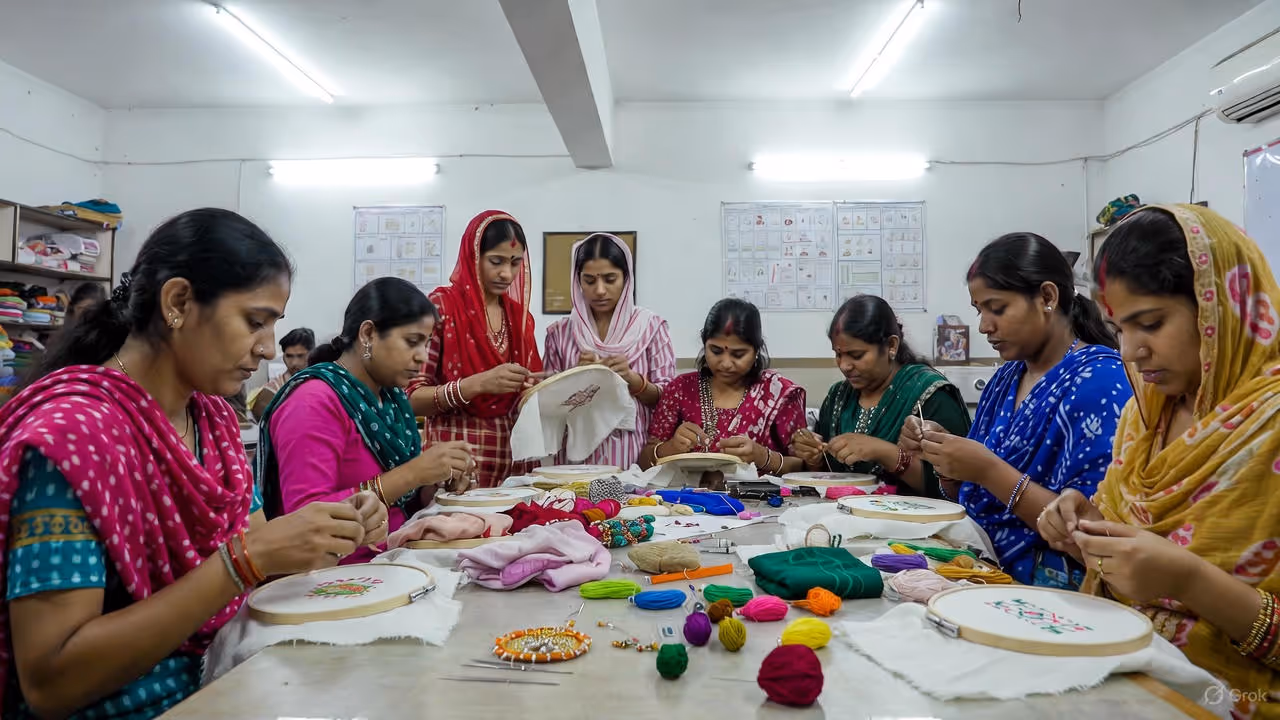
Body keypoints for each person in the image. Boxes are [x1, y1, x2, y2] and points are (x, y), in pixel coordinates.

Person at [0, 208, 385, 719]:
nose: (268, 347)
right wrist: (245, 561)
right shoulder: (73, 438)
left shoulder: (214, 425)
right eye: (255, 321)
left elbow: (257, 569)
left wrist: (327, 536)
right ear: (178, 302)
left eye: (274, 325)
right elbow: (53, 680)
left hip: (229, 682)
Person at [1040, 205, 1280, 706]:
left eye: (1149, 324)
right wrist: (1087, 524)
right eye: (1119, 328)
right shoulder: (1144, 415)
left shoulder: (1271, 427)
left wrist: (1188, 579)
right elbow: (1123, 528)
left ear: (1220, 310)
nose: (1129, 351)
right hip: (1115, 674)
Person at [902, 232, 1130, 588]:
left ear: (1047, 297)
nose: (984, 326)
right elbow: (974, 494)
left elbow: (1093, 536)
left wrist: (987, 469)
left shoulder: (1099, 381)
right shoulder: (1008, 377)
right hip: (980, 567)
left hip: (1053, 592)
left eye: (998, 308)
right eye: (980, 310)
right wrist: (946, 459)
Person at [257, 277, 474, 563]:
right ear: (368, 334)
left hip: (396, 559)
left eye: (427, 343)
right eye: (412, 342)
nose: (422, 357)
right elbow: (306, 518)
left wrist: (436, 483)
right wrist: (413, 473)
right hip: (337, 578)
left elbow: (402, 502)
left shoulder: (392, 400)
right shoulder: (313, 401)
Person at [408, 211, 543, 487]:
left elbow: (528, 394)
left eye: (515, 263)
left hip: (515, 471)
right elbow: (410, 398)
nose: (507, 273)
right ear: (473, 256)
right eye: (496, 261)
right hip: (459, 470)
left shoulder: (520, 318)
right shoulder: (442, 307)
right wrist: (476, 384)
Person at [791, 295, 970, 496]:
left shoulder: (930, 394)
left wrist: (884, 452)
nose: (844, 365)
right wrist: (814, 458)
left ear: (891, 346)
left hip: (916, 523)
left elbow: (958, 488)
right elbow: (830, 477)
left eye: (856, 355)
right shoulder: (838, 397)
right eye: (838, 354)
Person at [641, 298, 807, 487]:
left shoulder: (778, 394)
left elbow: (805, 468)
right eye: (716, 351)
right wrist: (671, 448)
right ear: (704, 344)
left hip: (760, 507)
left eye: (738, 354)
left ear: (756, 351)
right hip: (687, 506)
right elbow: (644, 464)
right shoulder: (680, 389)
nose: (726, 363)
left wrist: (762, 456)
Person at [543, 233, 676, 467]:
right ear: (578, 281)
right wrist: (575, 379)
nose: (600, 290)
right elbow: (546, 406)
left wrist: (635, 381)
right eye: (590, 280)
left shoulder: (651, 328)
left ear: (626, 278)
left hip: (633, 456)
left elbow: (670, 400)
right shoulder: (560, 333)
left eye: (610, 279)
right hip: (575, 461)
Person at [249, 327, 315, 421]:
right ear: (283, 356)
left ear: (312, 354)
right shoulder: (273, 391)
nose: (294, 362)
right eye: (289, 356)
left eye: (300, 356)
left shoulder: (322, 383)